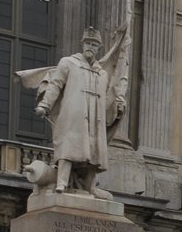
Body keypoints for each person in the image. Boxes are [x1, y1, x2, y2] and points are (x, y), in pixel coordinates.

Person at [21, 27, 127, 197]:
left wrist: (118, 108)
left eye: (94, 44)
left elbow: (107, 100)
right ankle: (62, 182)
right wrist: (45, 105)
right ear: (82, 44)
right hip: (73, 116)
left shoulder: (102, 73)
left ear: (99, 48)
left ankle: (90, 186)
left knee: (95, 151)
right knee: (68, 147)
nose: (90, 47)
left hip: (95, 119)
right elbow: (55, 84)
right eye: (87, 43)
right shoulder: (69, 63)